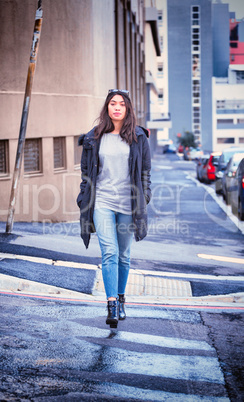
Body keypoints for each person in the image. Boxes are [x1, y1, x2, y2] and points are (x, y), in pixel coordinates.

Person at [77, 89, 152, 328]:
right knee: (109, 252)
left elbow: (145, 173)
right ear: (107, 108)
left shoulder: (139, 137)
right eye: (112, 103)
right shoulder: (93, 138)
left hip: (128, 204)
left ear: (128, 108)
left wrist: (145, 196)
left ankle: (120, 298)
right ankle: (111, 305)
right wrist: (83, 196)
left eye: (121, 104)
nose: (117, 107)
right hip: (102, 202)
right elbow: (87, 173)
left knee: (124, 255)